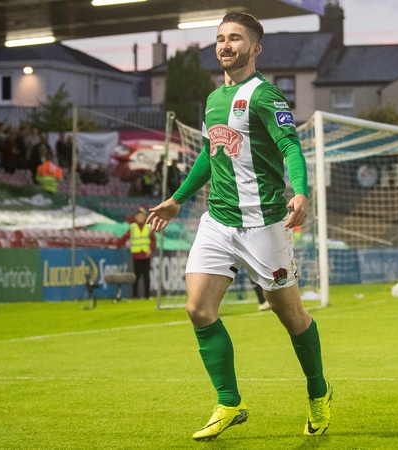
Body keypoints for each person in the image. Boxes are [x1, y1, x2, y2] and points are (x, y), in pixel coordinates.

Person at [146, 11, 331, 441]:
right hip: (218, 220)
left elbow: (291, 146)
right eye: (220, 38)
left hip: (264, 224)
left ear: (255, 48)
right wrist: (177, 199)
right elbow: (209, 156)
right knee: (198, 309)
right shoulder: (214, 99)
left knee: (291, 316)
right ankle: (229, 402)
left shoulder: (266, 96)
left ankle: (318, 391)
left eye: (235, 38)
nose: (225, 45)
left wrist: (300, 191)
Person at [118, 208, 156, 299]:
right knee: (136, 276)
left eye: (142, 216)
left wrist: (151, 249)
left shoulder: (148, 226)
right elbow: (125, 237)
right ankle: (135, 295)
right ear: (136, 217)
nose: (140, 218)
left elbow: (153, 239)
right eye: (139, 216)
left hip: (146, 255)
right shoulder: (132, 227)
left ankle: (147, 295)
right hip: (136, 255)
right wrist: (117, 245)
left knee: (146, 276)